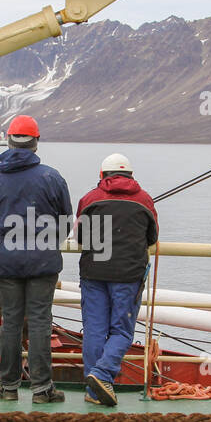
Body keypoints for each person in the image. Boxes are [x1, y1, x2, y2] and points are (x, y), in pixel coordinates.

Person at [0, 115, 73, 404]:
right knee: (39, 321)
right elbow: (66, 220)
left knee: (10, 322)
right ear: (35, 142)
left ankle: (8, 387)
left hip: (7, 260)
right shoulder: (51, 177)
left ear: (9, 140)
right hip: (43, 260)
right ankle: (41, 389)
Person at [76, 153, 158, 407]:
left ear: (102, 175)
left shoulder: (89, 199)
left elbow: (81, 237)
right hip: (128, 275)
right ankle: (102, 375)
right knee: (121, 330)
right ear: (131, 176)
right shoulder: (144, 200)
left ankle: (94, 386)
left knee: (94, 330)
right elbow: (152, 238)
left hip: (94, 273)